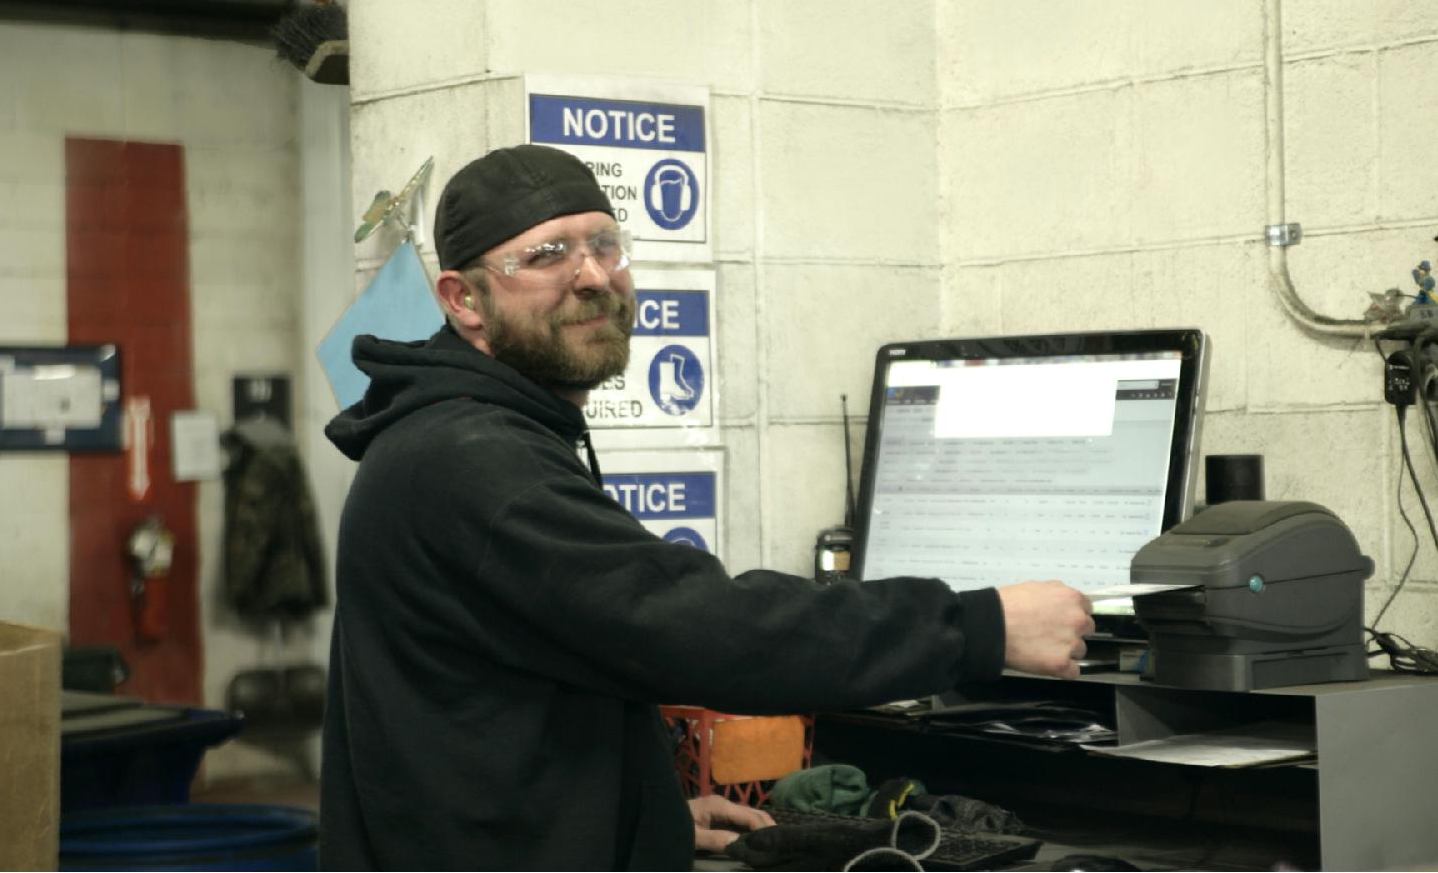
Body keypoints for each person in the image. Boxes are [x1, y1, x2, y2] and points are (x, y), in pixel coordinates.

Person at [319, 144, 1095, 870]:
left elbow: (539, 677)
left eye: (603, 244)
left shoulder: (482, 434)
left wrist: (647, 805)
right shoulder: (472, 459)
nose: (591, 275)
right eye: (547, 254)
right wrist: (980, 626)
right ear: (465, 301)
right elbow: (695, 627)